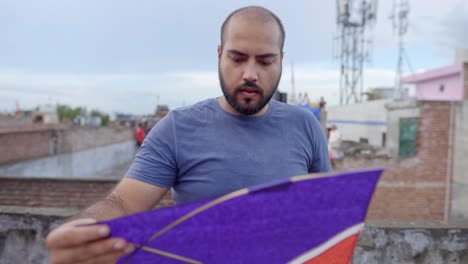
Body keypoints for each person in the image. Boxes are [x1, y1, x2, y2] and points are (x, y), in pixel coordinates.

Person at [46, 6, 332, 264]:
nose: (250, 74)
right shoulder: (177, 128)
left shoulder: (305, 125)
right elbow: (123, 202)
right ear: (220, 55)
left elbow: (326, 210)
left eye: (265, 62)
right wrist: (86, 229)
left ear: (281, 61)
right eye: (238, 58)